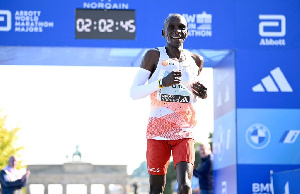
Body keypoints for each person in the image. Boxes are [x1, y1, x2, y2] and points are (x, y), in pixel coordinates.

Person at [130, 13, 207, 194]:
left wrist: (202, 94)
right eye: (171, 27)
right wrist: (161, 83)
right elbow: (134, 92)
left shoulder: (196, 61)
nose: (176, 31)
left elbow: (191, 95)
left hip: (185, 132)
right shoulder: (153, 55)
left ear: (186, 33)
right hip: (158, 132)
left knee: (185, 186)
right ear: (163, 32)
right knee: (156, 188)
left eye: (181, 27)